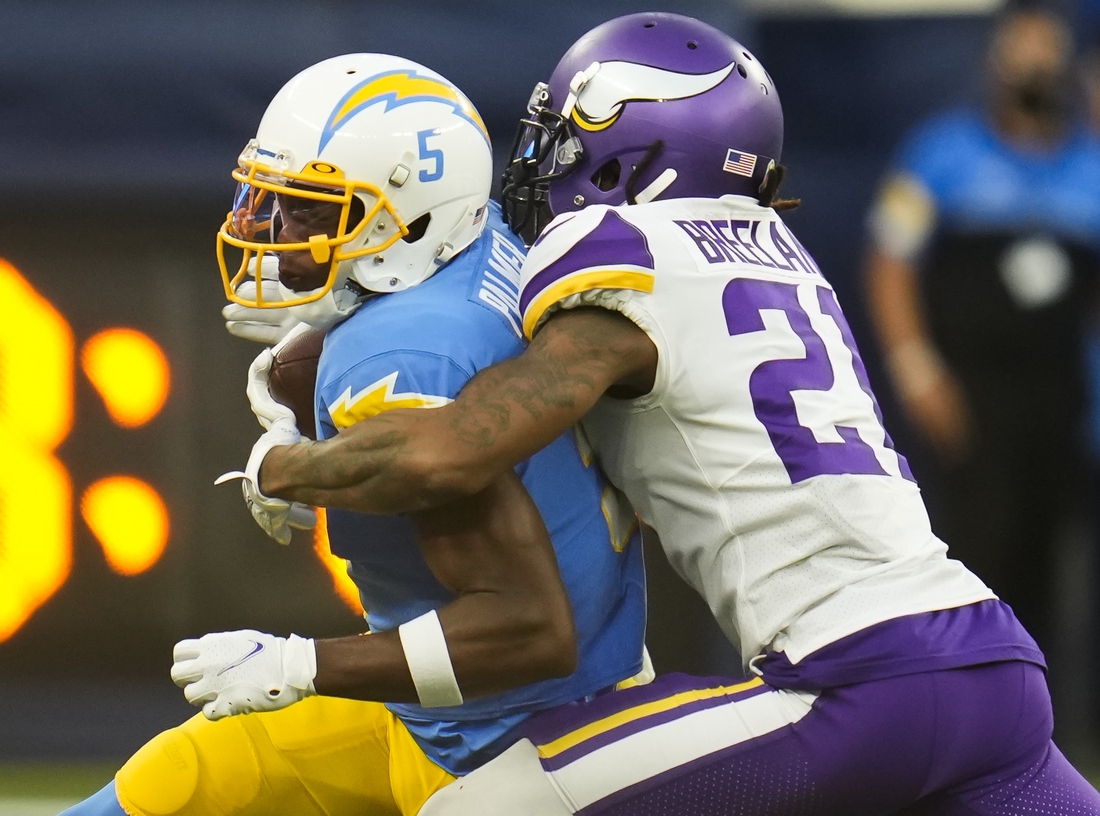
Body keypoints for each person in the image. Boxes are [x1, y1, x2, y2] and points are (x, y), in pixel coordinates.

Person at [246, 13, 1100, 815]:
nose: (544, 167)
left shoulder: (626, 257)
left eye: (567, 143)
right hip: (994, 667)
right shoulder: (784, 257)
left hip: (851, 685)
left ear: (628, 159)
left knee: (480, 808)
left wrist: (282, 465)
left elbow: (449, 454)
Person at [59, 53, 646, 816]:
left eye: (309, 212)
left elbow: (529, 631)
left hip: (522, 746)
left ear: (415, 215)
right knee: (169, 785)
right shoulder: (475, 248)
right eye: (270, 201)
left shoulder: (405, 354)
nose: (265, 231)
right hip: (453, 720)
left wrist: (299, 665)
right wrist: (327, 326)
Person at [864, 6, 1100, 653]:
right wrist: (916, 369)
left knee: (1051, 568)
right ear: (994, 61)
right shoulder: (941, 152)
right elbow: (890, 260)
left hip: (1059, 404)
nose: (1033, 68)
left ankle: (1041, 732)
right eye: (1020, 51)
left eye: (1046, 54)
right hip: (969, 401)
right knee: (973, 557)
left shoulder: (1089, 167)